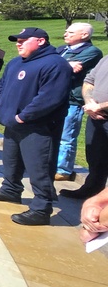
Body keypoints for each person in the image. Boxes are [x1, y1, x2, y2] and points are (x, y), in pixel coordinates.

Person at [0, 28, 72, 226]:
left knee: (39, 167)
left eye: (23, 40)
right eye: (17, 40)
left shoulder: (55, 64)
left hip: (39, 126)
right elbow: (3, 86)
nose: (18, 43)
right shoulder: (15, 62)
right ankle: (11, 190)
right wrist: (3, 108)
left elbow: (50, 98)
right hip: (13, 123)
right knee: (11, 161)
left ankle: (42, 208)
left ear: (41, 41)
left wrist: (23, 117)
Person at [55, 23, 103, 182]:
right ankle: (50, 163)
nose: (65, 34)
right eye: (66, 31)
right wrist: (65, 64)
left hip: (73, 100)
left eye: (71, 32)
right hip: (56, 98)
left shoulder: (92, 52)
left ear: (84, 35)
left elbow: (59, 67)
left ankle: (63, 169)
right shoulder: (62, 50)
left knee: (66, 136)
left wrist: (60, 65)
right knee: (53, 133)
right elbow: (50, 64)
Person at [61, 53, 108, 202]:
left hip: (98, 110)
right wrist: (89, 103)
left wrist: (99, 106)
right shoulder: (106, 59)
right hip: (96, 116)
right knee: (95, 155)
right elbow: (88, 81)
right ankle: (92, 190)